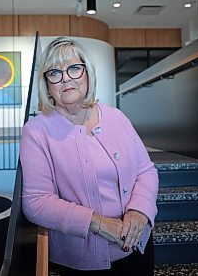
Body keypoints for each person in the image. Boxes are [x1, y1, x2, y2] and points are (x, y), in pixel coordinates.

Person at [20, 37, 159, 275]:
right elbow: (36, 202)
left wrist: (139, 211)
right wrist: (100, 223)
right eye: (55, 72)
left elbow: (146, 171)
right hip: (80, 261)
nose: (66, 78)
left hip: (137, 245)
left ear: (87, 74)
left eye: (74, 68)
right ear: (47, 84)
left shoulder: (116, 117)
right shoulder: (36, 131)